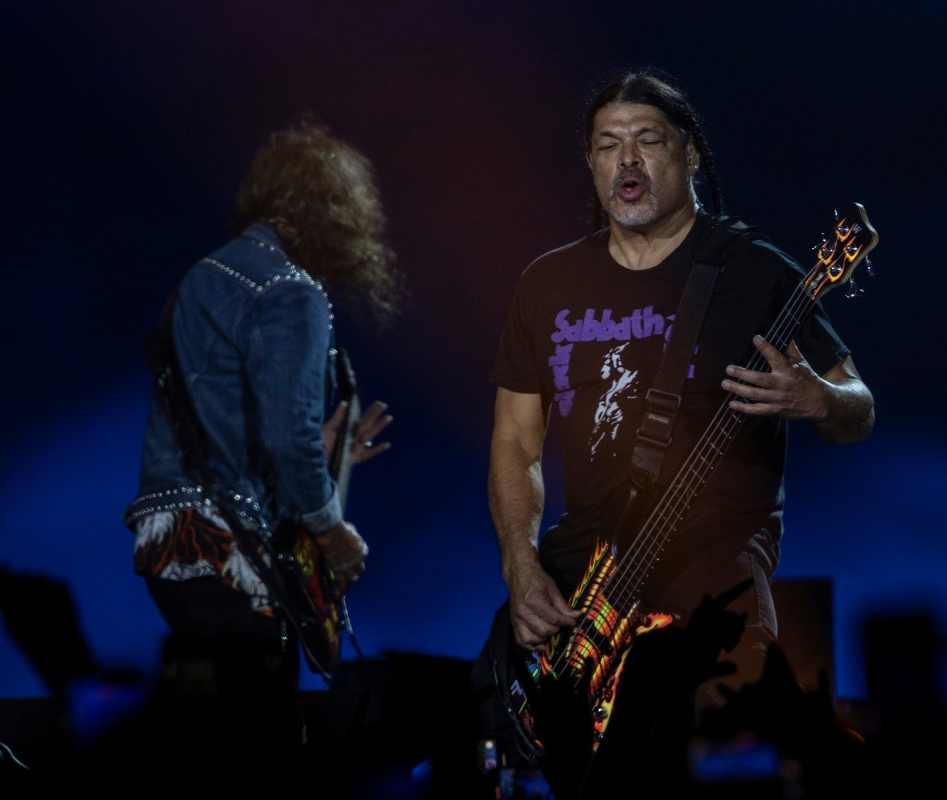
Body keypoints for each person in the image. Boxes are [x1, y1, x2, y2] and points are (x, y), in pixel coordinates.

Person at [474, 67, 875, 798]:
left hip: (713, 574)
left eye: (648, 140)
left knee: (734, 765)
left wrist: (817, 398)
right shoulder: (547, 284)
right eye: (608, 145)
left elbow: (859, 409)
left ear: (689, 155)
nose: (626, 160)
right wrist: (520, 566)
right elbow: (515, 443)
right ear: (590, 163)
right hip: (583, 583)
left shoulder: (752, 271)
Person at [122, 115, 405, 779]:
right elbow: (286, 436)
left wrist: (325, 448)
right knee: (265, 746)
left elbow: (229, 422)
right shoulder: (291, 290)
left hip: (171, 546)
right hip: (228, 555)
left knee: (215, 743)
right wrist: (332, 532)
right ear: (330, 211)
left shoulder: (204, 276)